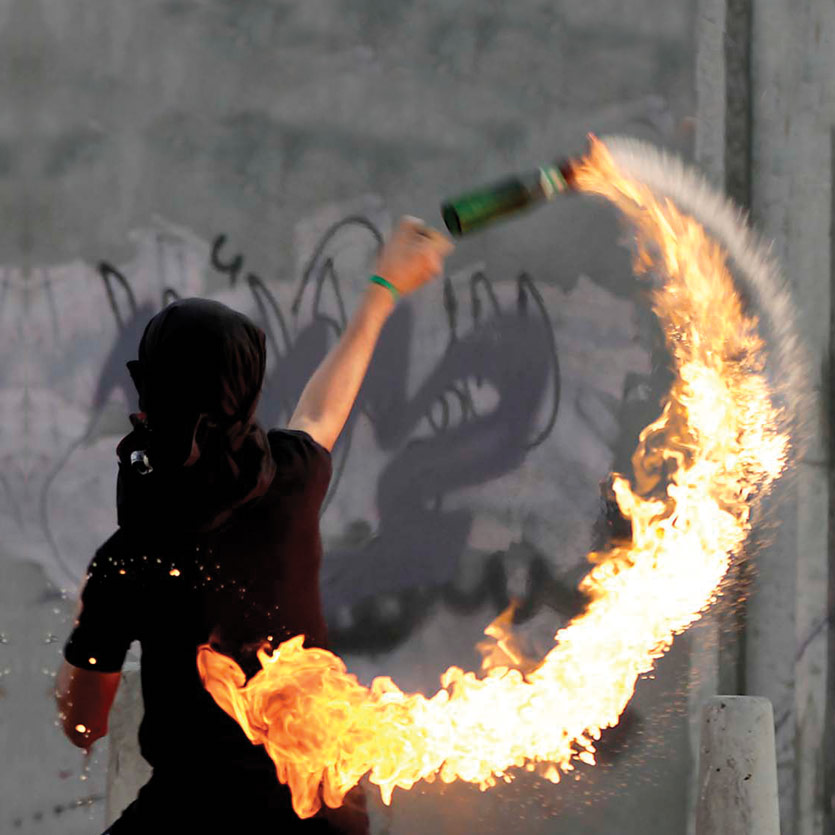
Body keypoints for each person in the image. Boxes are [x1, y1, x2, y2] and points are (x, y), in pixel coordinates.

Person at [55, 217, 453, 834]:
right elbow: (323, 409)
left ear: (150, 394)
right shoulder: (287, 481)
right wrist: (382, 289)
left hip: (195, 815)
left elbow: (85, 725)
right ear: (245, 392)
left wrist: (87, 625)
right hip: (321, 815)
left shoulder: (126, 559)